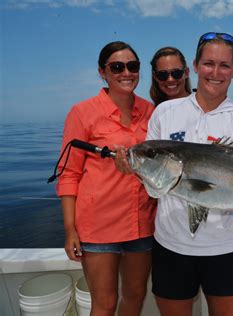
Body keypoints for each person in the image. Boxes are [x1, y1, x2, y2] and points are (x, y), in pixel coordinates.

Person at [146, 32, 233, 316]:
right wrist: (140, 169)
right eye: (209, 63)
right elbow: (153, 188)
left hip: (227, 249)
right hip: (171, 246)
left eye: (224, 65)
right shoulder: (165, 112)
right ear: (195, 66)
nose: (216, 72)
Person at [56, 41, 156, 316]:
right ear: (103, 72)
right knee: (105, 303)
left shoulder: (151, 112)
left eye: (132, 66)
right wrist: (70, 230)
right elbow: (69, 174)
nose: (127, 72)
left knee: (135, 296)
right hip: (98, 226)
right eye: (117, 67)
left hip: (142, 223)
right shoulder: (82, 113)